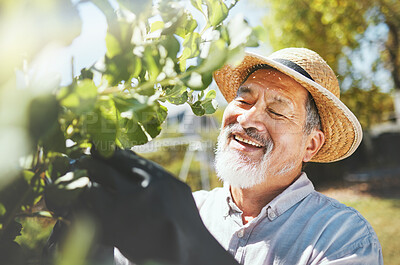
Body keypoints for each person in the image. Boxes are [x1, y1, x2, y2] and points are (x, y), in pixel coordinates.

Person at [44, 48, 383, 265]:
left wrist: (188, 252)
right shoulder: (188, 210)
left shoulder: (343, 238)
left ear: (311, 145)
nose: (248, 119)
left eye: (277, 110)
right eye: (244, 100)